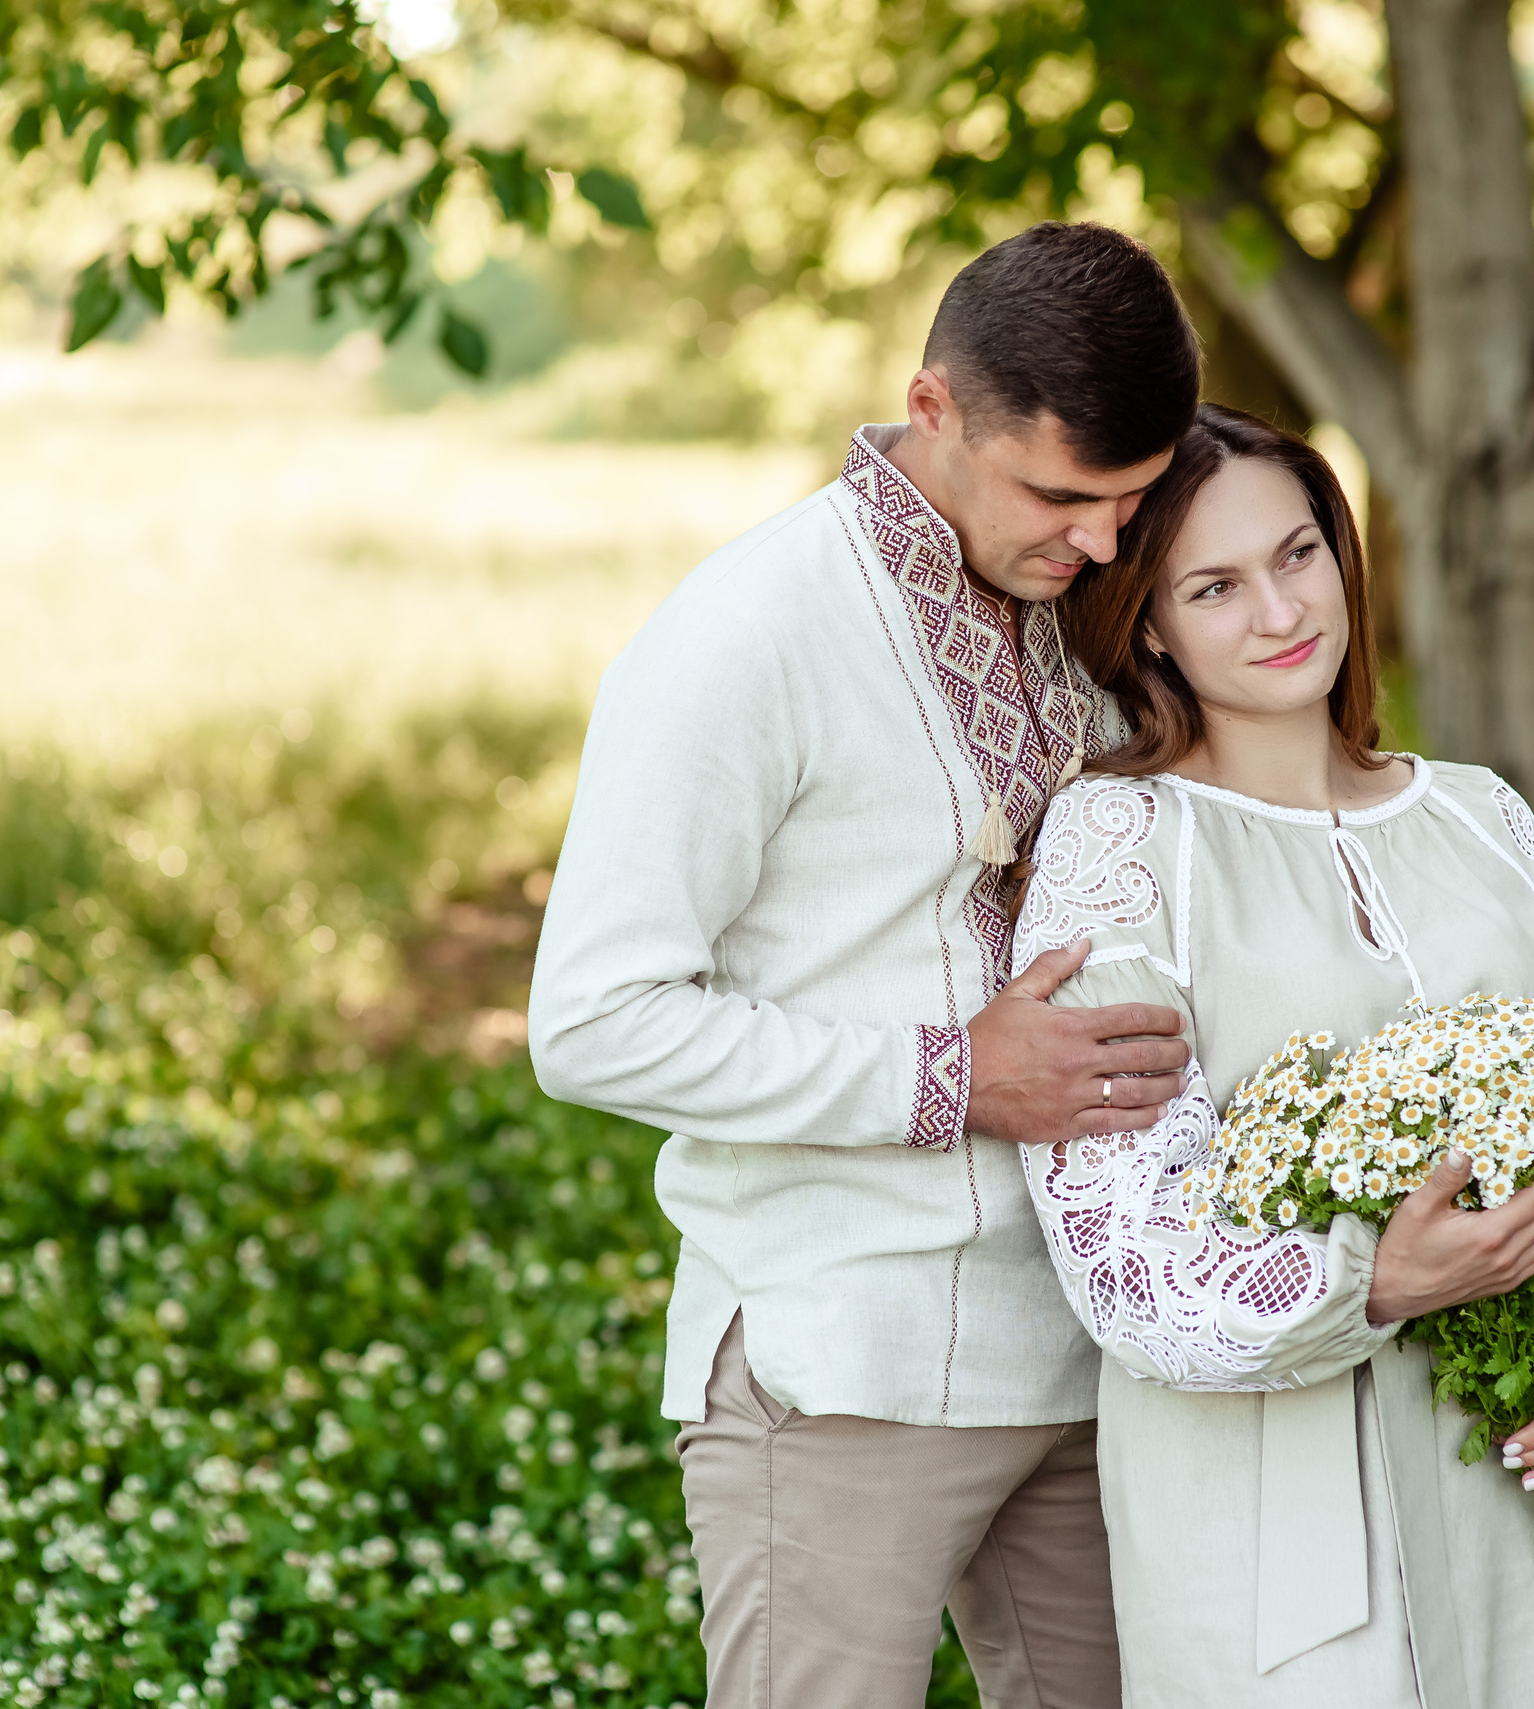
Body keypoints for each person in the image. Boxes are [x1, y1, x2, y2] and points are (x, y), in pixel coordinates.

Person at [527, 222, 1204, 1709]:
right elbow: (591, 1021)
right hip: (839, 1362)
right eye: (1061, 495)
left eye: (1132, 502)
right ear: (935, 404)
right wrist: (955, 1074)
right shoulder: (742, 633)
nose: (1100, 541)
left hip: (1099, 1353)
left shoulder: (1081, 614)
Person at [1013, 405, 1534, 1708]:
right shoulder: (1123, 844)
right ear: (1149, 622)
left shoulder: (1481, 813)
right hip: (1270, 1513)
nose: (1280, 609)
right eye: (1216, 586)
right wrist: (1371, 1277)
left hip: (1500, 1453)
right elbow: (1118, 1238)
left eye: (1301, 554)